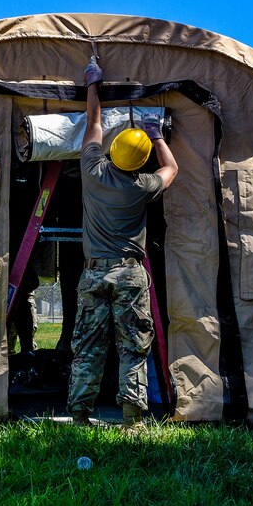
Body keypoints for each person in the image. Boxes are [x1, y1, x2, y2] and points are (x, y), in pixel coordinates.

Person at [67, 54, 178, 434]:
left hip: (94, 274)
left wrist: (94, 82)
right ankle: (133, 421)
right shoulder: (143, 187)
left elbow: (94, 122)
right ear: (141, 161)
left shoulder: (92, 170)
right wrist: (158, 134)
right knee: (133, 348)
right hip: (130, 276)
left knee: (88, 348)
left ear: (113, 151)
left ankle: (80, 416)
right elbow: (172, 169)